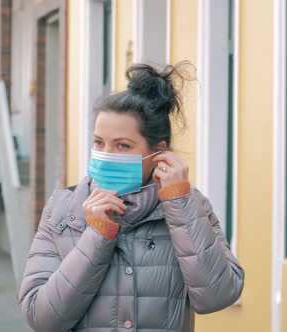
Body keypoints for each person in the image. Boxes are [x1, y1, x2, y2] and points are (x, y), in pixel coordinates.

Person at [18, 62, 244, 332]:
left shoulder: (191, 206)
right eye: (99, 142)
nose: (106, 153)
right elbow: (41, 318)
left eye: (122, 145)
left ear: (159, 153)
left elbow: (217, 296)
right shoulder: (63, 210)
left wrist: (179, 202)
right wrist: (97, 234)